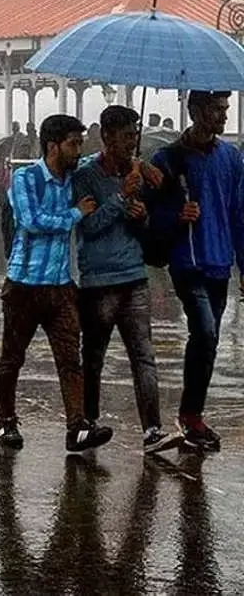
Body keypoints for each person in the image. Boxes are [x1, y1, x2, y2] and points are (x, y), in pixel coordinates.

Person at [0, 114, 112, 453]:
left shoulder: (75, 177)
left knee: (69, 359)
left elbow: (96, 160)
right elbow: (32, 221)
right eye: (73, 144)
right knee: (12, 358)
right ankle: (7, 421)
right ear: (53, 146)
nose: (78, 151)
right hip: (23, 284)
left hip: (60, 286)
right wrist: (76, 214)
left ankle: (76, 427)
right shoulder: (25, 178)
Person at [72, 106, 181, 454]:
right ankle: (87, 422)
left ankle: (152, 429)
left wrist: (141, 213)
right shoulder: (86, 175)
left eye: (135, 135)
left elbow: (143, 225)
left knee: (144, 356)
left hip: (134, 276)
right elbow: (88, 226)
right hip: (98, 281)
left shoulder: (138, 172)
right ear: (106, 137)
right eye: (125, 136)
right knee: (94, 357)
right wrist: (121, 197)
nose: (132, 143)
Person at [146, 90, 244, 451]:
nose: (222, 116)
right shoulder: (168, 159)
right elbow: (150, 213)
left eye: (226, 109)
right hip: (187, 262)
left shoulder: (232, 159)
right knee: (203, 331)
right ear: (195, 111)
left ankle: (193, 415)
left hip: (220, 262)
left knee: (210, 339)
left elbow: (239, 214)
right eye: (217, 109)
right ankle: (190, 414)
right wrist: (176, 216)